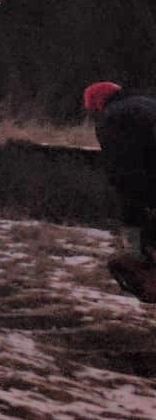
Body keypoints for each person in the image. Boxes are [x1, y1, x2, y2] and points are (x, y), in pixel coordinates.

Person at [84, 81, 156, 303]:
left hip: (147, 183)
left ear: (97, 103)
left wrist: (133, 202)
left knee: (136, 232)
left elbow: (122, 166)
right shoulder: (149, 103)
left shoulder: (112, 118)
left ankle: (144, 270)